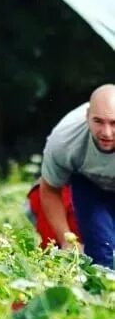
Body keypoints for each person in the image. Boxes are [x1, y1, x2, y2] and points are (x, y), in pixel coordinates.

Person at [38, 84, 115, 268]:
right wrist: (66, 240)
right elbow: (49, 189)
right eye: (98, 121)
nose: (106, 133)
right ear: (87, 115)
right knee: (102, 252)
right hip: (89, 185)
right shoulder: (65, 140)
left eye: (114, 123)